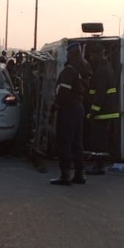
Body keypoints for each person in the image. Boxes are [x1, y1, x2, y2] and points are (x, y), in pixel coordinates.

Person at [49, 42, 88, 186]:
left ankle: (65, 175)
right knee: (77, 142)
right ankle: (80, 174)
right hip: (78, 107)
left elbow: (63, 93)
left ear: (71, 54)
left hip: (68, 110)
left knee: (64, 142)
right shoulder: (84, 68)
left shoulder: (69, 71)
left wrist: (56, 106)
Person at [84, 42, 118, 175]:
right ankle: (98, 164)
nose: (91, 58)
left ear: (99, 54)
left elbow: (100, 94)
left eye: (92, 55)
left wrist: (92, 111)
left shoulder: (102, 71)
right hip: (105, 113)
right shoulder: (106, 68)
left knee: (98, 141)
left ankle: (98, 166)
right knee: (100, 140)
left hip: (102, 113)